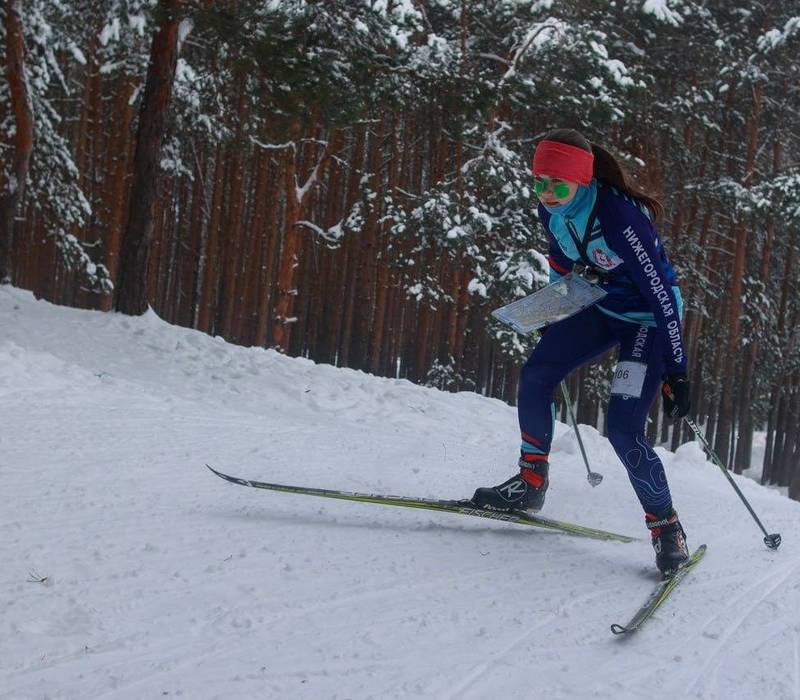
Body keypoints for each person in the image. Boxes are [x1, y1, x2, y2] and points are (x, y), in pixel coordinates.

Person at [470, 128, 692, 575]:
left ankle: (667, 527)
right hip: (598, 306)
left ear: (582, 180)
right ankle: (531, 481)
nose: (547, 193)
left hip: (648, 320)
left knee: (623, 429)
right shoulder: (550, 210)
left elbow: (661, 295)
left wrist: (677, 369)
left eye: (557, 184)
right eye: (539, 181)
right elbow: (560, 261)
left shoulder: (618, 218)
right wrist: (554, 311)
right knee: (537, 373)